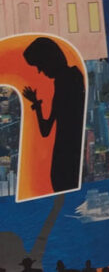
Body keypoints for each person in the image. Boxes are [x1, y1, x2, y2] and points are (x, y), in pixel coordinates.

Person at [20, 37, 86, 194]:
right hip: (65, 160)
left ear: (49, 59)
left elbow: (47, 129)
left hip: (68, 160)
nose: (40, 71)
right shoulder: (70, 77)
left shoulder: (68, 79)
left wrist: (36, 105)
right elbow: (45, 130)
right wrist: (36, 104)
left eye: (39, 65)